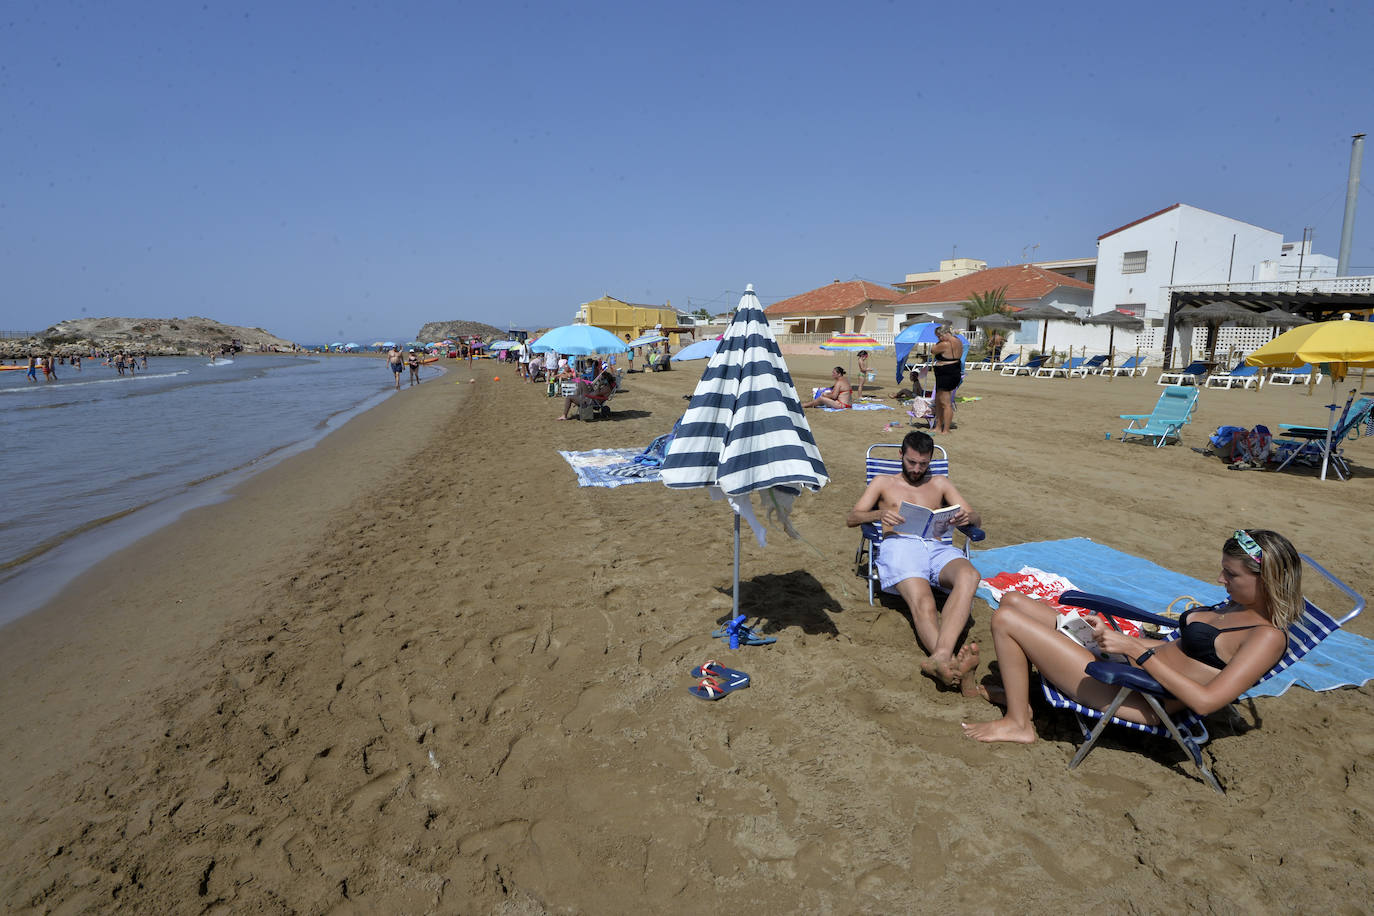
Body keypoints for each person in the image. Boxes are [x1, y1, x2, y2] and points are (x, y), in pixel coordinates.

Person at [961, 529, 1300, 744]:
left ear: (1265, 578)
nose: (1220, 578)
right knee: (1013, 600)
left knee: (1006, 619)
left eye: (1231, 574)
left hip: (1136, 694)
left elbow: (1206, 702)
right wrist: (1112, 638)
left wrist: (1135, 651)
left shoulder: (1266, 637)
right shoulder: (1236, 605)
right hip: (1127, 663)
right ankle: (1025, 695)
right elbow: (1180, 651)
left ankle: (1019, 722)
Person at [846, 431, 983, 688]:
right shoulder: (882, 482)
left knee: (970, 575)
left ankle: (941, 658)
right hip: (900, 545)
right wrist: (879, 513)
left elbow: (975, 516)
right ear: (901, 455)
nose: (917, 469)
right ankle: (951, 662)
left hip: (937, 545)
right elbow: (852, 517)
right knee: (925, 601)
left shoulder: (940, 482)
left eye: (923, 464)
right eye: (911, 462)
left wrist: (968, 519)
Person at [931, 326, 963, 434]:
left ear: (945, 333)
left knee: (945, 402)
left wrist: (938, 342)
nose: (939, 338)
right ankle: (939, 426)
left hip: (946, 373)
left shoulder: (944, 344)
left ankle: (945, 429)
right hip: (952, 371)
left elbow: (933, 350)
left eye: (939, 336)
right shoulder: (958, 341)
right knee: (939, 401)